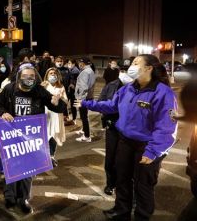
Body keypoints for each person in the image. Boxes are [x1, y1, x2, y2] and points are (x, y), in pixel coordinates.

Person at [75, 54, 177, 220]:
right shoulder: (127, 88)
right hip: (126, 142)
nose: (131, 65)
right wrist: (87, 103)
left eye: (137, 63)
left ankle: (142, 216)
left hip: (146, 146)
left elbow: (166, 127)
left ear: (149, 68)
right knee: (122, 178)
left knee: (143, 185)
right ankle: (121, 210)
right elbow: (111, 105)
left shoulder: (163, 93)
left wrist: (152, 151)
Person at [0, 63, 66, 213]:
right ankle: (9, 197)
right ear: (19, 77)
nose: (29, 79)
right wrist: (3, 113)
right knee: (12, 166)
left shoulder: (40, 91)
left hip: (32, 137)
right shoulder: (9, 89)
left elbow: (57, 107)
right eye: (26, 76)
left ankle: (24, 199)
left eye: (32, 76)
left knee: (28, 170)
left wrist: (57, 102)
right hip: (12, 134)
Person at [98, 68, 132, 196]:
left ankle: (124, 185)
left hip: (129, 130)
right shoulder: (110, 86)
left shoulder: (138, 87)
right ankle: (110, 184)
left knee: (126, 159)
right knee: (111, 157)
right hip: (112, 127)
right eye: (122, 70)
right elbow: (101, 102)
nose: (124, 73)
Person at [41, 67, 68, 167]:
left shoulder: (61, 87)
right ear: (47, 75)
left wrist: (60, 97)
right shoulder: (44, 86)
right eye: (50, 73)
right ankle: (44, 156)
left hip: (57, 115)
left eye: (54, 73)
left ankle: (51, 156)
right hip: (46, 114)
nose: (53, 75)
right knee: (46, 135)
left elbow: (66, 102)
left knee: (54, 135)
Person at [75, 57, 96, 142]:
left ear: (83, 63)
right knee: (85, 116)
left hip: (84, 98)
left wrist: (80, 99)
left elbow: (84, 87)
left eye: (80, 62)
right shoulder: (90, 71)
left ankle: (86, 136)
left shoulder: (85, 72)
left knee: (83, 117)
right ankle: (84, 131)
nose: (79, 64)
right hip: (89, 96)